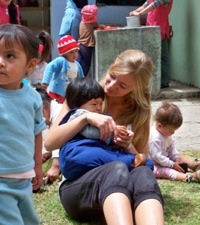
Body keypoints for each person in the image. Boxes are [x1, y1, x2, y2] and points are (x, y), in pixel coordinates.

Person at [44, 49, 164, 224]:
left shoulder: (139, 113)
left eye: (123, 86)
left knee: (143, 173)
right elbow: (50, 142)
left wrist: (127, 144)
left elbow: (140, 160)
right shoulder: (83, 92)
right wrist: (85, 117)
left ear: (136, 89)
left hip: (119, 190)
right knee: (115, 169)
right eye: (112, 75)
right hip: (79, 188)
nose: (111, 86)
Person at [59, 77, 153, 181]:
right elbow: (90, 132)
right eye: (94, 104)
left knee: (109, 157)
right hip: (78, 154)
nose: (99, 108)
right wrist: (112, 131)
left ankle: (137, 163)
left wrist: (121, 138)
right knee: (109, 158)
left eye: (101, 103)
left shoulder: (100, 116)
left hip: (89, 161)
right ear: (77, 104)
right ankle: (132, 161)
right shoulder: (78, 114)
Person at [0, 24, 47, 224]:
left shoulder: (33, 98)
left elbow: (37, 132)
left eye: (9, 56)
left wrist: (37, 166)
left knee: (29, 220)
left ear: (30, 65)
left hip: (23, 175)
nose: (0, 62)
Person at [149, 101, 200, 183]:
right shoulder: (154, 138)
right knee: (166, 171)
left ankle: (196, 166)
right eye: (171, 131)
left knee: (180, 158)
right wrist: (172, 164)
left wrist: (176, 157)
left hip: (166, 160)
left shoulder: (165, 133)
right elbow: (157, 157)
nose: (173, 133)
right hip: (154, 164)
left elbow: (171, 147)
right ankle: (189, 177)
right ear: (159, 126)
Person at [130, 0, 173, 88]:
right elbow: (145, 5)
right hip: (151, 27)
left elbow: (154, 5)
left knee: (162, 56)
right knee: (151, 55)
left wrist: (140, 13)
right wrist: (135, 12)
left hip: (161, 28)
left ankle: (164, 81)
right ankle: (152, 80)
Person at [42, 35, 84, 103]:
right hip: (56, 92)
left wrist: (83, 89)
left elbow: (81, 79)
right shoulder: (61, 61)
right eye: (71, 52)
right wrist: (45, 82)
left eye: (76, 51)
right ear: (64, 53)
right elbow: (50, 67)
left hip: (69, 93)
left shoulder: (77, 65)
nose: (75, 54)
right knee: (55, 108)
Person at [36, 88, 63, 185]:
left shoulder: (59, 111)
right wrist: (49, 153)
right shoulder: (56, 111)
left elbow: (59, 136)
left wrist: (55, 166)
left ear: (41, 108)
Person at [77, 4, 106, 76]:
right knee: (87, 65)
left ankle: (75, 76)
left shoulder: (82, 22)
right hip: (87, 47)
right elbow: (101, 27)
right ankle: (82, 78)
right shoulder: (92, 23)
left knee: (79, 63)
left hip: (80, 45)